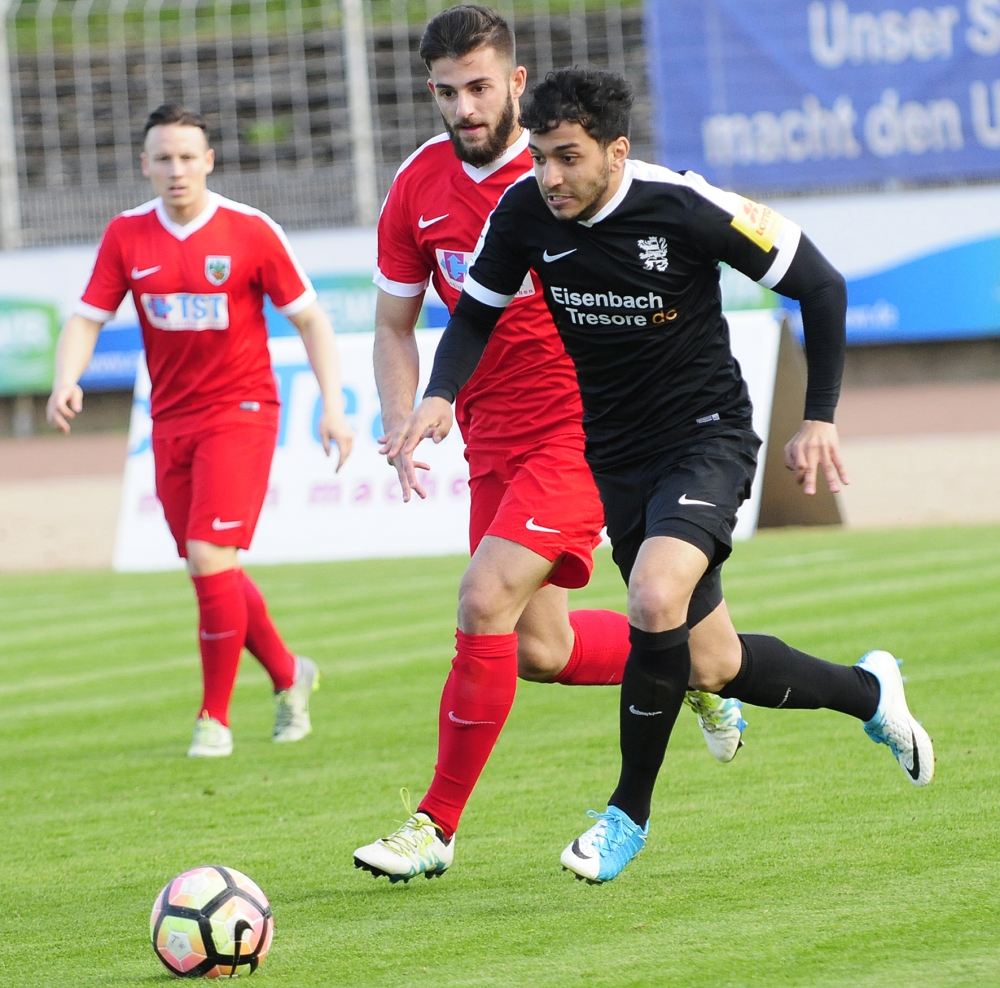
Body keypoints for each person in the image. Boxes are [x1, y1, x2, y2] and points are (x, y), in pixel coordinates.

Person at [385, 67, 934, 884]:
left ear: (616, 151)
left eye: (568, 157)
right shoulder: (524, 212)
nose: (550, 176)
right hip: (616, 456)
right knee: (712, 662)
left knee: (651, 594)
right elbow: (475, 314)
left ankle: (626, 816)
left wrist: (818, 415)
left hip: (705, 438)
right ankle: (870, 692)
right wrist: (437, 394)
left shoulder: (685, 205)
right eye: (539, 157)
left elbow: (821, 284)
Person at [353, 7, 745, 884]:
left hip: (583, 428)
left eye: (480, 87)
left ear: (516, 83)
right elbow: (393, 324)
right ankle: (689, 666)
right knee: (541, 650)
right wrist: (406, 413)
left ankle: (434, 826)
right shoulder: (416, 187)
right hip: (490, 438)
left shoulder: (564, 176)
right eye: (447, 92)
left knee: (481, 596)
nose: (465, 107)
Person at [47, 104, 353, 759]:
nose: (177, 169)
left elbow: (311, 320)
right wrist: (66, 378)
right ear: (145, 165)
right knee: (208, 566)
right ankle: (289, 673)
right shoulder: (127, 235)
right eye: (164, 158)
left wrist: (333, 405)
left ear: (209, 161)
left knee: (210, 556)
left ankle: (214, 718)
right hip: (169, 420)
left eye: (188, 157)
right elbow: (86, 317)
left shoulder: (250, 231)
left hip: (241, 411)